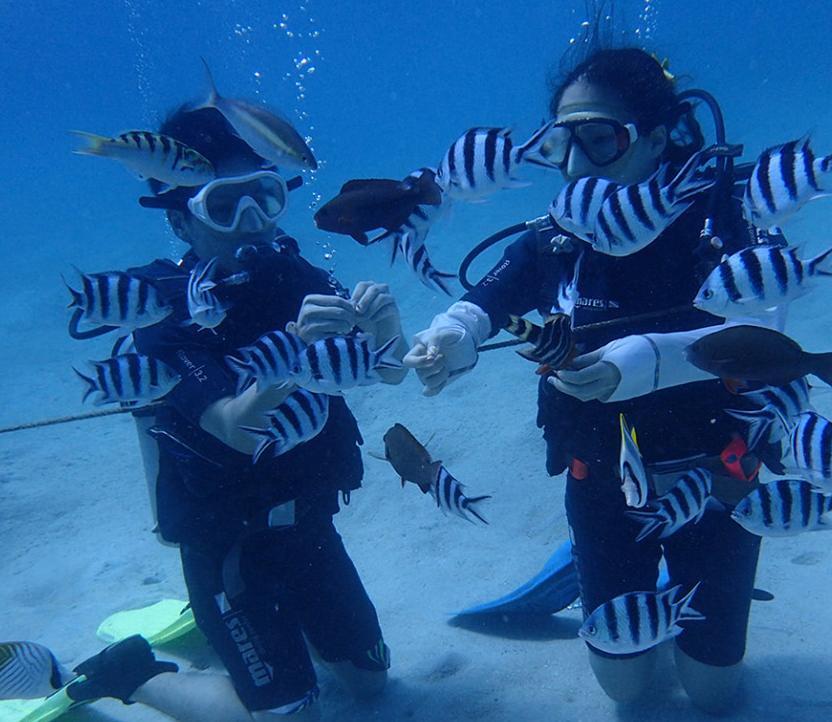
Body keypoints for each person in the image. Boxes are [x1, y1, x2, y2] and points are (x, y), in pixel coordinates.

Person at [404, 48, 782, 714]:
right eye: (560, 144)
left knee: (713, 692)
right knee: (626, 686)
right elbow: (488, 299)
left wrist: (635, 364)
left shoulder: (722, 221)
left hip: (720, 477)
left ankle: (665, 577)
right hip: (604, 480)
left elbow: (765, 334)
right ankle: (592, 566)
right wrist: (449, 340)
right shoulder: (563, 233)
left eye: (600, 139)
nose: (576, 165)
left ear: (658, 139)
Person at [67, 102, 408, 721]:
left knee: (370, 684)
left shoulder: (296, 274)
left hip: (308, 524)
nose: (251, 223)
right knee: (291, 713)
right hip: (227, 542)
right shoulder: (158, 310)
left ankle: (270, 635)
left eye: (264, 198)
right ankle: (136, 672)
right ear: (181, 223)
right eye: (224, 206)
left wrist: (387, 322)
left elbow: (384, 368)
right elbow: (234, 425)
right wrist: (295, 350)